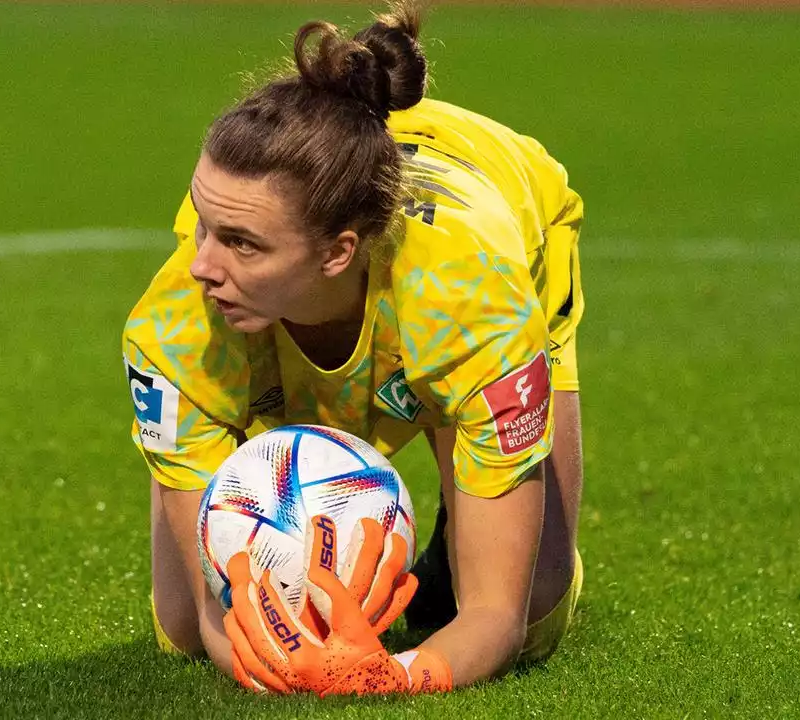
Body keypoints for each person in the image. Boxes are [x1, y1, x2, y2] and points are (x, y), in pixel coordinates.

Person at [123, 0, 585, 695]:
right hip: (351, 240)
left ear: (339, 253)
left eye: (242, 243)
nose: (201, 266)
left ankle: (451, 534)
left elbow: (496, 617)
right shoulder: (176, 322)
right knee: (183, 629)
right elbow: (218, 627)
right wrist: (276, 660)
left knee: (533, 611)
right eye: (202, 221)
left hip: (504, 215)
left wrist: (391, 676)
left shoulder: (474, 306)